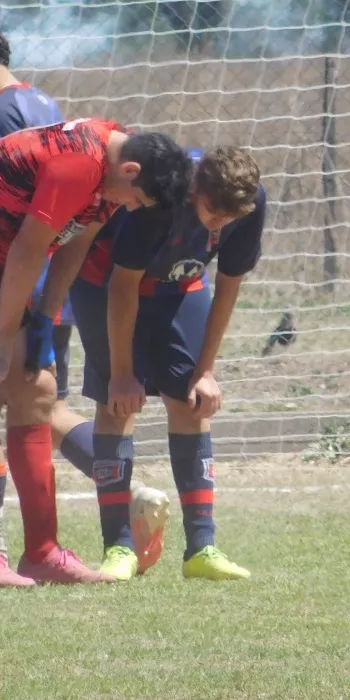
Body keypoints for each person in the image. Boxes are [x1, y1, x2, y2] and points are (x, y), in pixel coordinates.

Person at [0, 18, 169, 584]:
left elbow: (20, 233)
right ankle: (24, 543)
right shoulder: (48, 105)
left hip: (6, 277)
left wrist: (14, 326)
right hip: (21, 281)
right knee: (32, 396)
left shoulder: (0, 114)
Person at [70, 146, 265, 581]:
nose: (218, 225)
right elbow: (123, 288)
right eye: (212, 213)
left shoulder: (247, 204)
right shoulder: (161, 197)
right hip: (107, 284)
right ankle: (118, 548)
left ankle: (202, 548)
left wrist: (206, 370)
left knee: (193, 401)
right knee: (118, 404)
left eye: (228, 219)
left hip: (180, 285)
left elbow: (229, 285)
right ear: (195, 191)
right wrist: (121, 375)